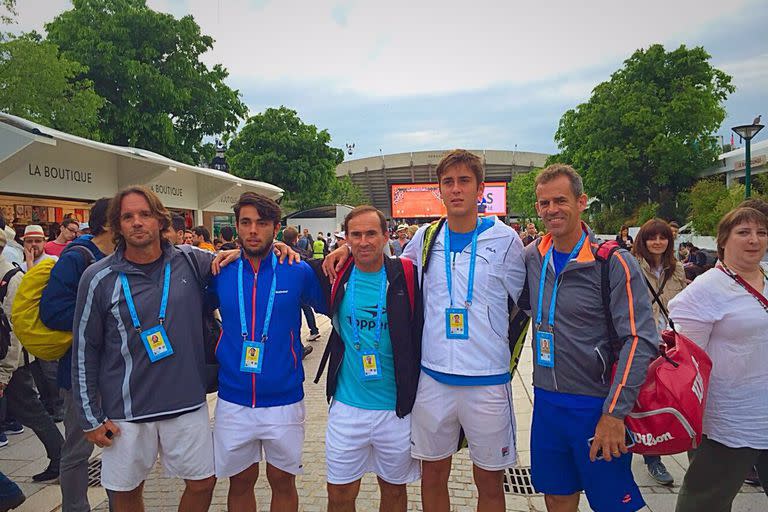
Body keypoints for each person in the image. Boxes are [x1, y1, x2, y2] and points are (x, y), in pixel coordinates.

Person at [325, 149, 526, 511]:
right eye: (448, 182)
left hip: (487, 380)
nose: (456, 189)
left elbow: (528, 303)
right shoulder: (425, 239)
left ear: (481, 189)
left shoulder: (507, 240)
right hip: (433, 381)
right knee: (433, 478)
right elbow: (380, 264)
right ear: (440, 190)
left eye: (464, 181)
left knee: (490, 482)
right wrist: (344, 252)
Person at [72, 186, 217, 511]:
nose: (137, 222)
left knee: (204, 483)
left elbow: (244, 259)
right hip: (127, 411)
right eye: (128, 216)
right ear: (117, 226)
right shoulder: (98, 277)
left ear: (160, 219)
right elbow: (85, 349)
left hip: (187, 402)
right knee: (125, 491)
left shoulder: (192, 261)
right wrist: (89, 418)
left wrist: (277, 247)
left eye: (145, 214)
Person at [524, 164, 657, 512]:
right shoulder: (532, 257)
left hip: (595, 405)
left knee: (614, 504)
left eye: (560, 200)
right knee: (556, 496)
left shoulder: (612, 262)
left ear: (581, 202)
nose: (551, 210)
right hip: (548, 403)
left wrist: (614, 414)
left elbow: (640, 339)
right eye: (544, 203)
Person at [209, 192, 326, 512]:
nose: (253, 230)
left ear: (275, 227)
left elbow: (333, 301)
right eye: (245, 223)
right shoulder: (220, 270)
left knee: (283, 482)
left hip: (285, 399)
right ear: (236, 227)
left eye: (262, 223)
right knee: (240, 482)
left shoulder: (296, 269)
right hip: (233, 399)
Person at [313, 205, 422, 512]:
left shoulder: (407, 275)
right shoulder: (335, 274)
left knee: (394, 493)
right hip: (347, 409)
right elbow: (281, 262)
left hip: (396, 411)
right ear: (346, 238)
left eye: (371, 233)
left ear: (386, 236)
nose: (364, 242)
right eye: (356, 235)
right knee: (339, 494)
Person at [670, 206, 768, 512]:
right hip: (728, 419)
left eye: (761, 233)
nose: (754, 240)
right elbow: (686, 363)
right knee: (705, 502)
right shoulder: (706, 289)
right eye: (743, 233)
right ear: (723, 241)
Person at [39, 198, 117, 512]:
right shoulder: (78, 257)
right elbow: (53, 311)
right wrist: (104, 318)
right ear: (111, 223)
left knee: (117, 444)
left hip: (116, 373)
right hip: (80, 373)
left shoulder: (120, 256)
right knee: (78, 448)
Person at [0, 229, 64, 483]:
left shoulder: (11, 278)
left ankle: (59, 456)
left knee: (31, 410)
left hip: (13, 363)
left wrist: (4, 373)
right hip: (11, 362)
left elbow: (14, 330)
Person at [631, 218, 687, 486]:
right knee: (638, 397)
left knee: (660, 398)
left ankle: (654, 451)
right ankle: (649, 455)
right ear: (643, 240)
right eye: (652, 237)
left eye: (662, 237)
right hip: (638, 342)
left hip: (668, 342)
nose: (657, 242)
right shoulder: (631, 266)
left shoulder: (676, 271)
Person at [19, 225, 61, 420]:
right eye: (29, 241)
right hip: (27, 325)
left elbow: (33, 287)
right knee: (36, 370)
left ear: (45, 242)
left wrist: (29, 265)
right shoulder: (17, 263)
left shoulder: (52, 262)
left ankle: (58, 405)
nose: (33, 245)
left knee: (50, 369)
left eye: (37, 241)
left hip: (46, 324)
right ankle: (47, 405)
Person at [282, 227, 321, 345]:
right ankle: (313, 330)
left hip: (285, 289)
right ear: (296, 239)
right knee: (306, 308)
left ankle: (297, 342)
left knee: (290, 316)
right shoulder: (301, 254)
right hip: (301, 288)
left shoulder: (277, 252)